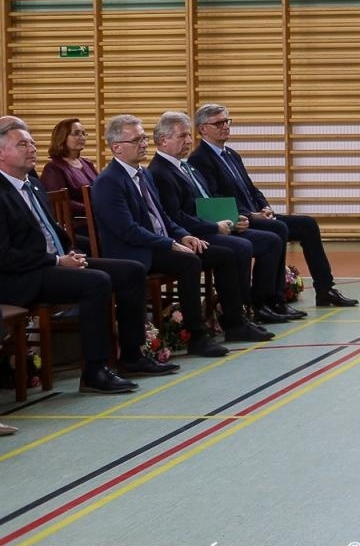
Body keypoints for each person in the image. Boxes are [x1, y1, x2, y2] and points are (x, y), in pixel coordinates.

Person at [0, 116, 177, 394]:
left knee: (131, 271)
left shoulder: (32, 185)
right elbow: (5, 256)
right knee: (96, 282)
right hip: (21, 277)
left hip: (52, 263)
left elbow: (51, 233)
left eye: (33, 142)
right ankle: (94, 371)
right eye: (22, 144)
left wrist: (71, 253)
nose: (32, 148)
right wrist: (58, 261)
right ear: (1, 153)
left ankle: (132, 355)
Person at [90, 115, 238, 358]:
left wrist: (182, 236)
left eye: (144, 138)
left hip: (156, 243)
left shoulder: (143, 174)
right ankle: (196, 336)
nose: (144, 144)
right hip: (134, 252)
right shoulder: (109, 181)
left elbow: (163, 217)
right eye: (136, 140)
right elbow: (128, 230)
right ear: (116, 147)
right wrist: (169, 243)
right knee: (189, 261)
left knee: (219, 253)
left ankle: (233, 320)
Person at [188, 103, 359, 308]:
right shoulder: (199, 159)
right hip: (238, 220)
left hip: (256, 214)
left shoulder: (231, 154)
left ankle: (325, 289)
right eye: (219, 123)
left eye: (227, 121)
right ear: (202, 129)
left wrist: (265, 207)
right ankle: (271, 299)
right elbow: (215, 198)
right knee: (277, 229)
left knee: (307, 224)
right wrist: (251, 215)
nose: (225, 126)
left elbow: (251, 188)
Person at [148, 111, 302, 326]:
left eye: (188, 136)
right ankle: (239, 313)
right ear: (163, 141)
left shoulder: (185, 166)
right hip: (196, 233)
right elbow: (176, 216)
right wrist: (214, 226)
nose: (189, 141)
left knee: (272, 238)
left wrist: (233, 218)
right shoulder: (159, 172)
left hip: (211, 225)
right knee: (240, 247)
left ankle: (262, 303)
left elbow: (208, 200)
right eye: (182, 136)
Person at [40, 117, 98, 232]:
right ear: (62, 137)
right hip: (76, 225)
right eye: (76, 133)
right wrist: (93, 208)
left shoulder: (87, 163)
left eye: (83, 133)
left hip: (96, 218)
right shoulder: (53, 168)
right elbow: (60, 204)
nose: (81, 137)